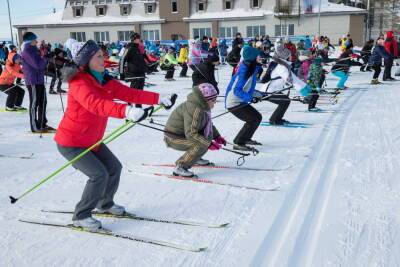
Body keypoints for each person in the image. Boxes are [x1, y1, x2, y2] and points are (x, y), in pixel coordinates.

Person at [56, 39, 175, 230]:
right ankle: (81, 215)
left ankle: (105, 204)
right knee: (98, 175)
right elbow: (96, 105)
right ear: (86, 61)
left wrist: (158, 98)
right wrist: (126, 112)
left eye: (102, 54)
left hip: (92, 139)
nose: (103, 58)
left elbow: (130, 94)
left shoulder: (104, 79)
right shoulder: (79, 83)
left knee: (114, 168)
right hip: (72, 142)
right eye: (98, 56)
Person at [164, 83, 225, 177]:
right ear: (206, 99)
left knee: (206, 138)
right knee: (201, 143)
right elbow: (191, 134)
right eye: (213, 100)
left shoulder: (203, 106)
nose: (215, 102)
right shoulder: (195, 109)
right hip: (173, 138)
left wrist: (217, 136)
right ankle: (180, 167)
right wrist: (208, 144)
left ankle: (195, 158)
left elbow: (207, 124)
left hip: (184, 135)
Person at [225, 46, 263, 150]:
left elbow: (247, 88)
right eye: (258, 56)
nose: (260, 57)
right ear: (252, 58)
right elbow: (237, 90)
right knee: (252, 120)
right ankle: (238, 142)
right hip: (233, 102)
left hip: (240, 100)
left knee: (257, 117)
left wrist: (258, 95)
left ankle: (246, 138)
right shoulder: (244, 71)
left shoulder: (251, 69)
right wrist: (250, 98)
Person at [263, 45, 311, 123]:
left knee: (285, 101)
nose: (292, 57)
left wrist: (305, 87)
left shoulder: (285, 65)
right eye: (290, 56)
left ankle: (276, 118)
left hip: (274, 90)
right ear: (286, 57)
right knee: (285, 101)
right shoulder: (282, 67)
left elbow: (294, 78)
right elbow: (291, 80)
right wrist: (304, 91)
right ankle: (274, 119)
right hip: (270, 91)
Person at [20, 32, 53, 133]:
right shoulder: (27, 51)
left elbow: (41, 60)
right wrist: (46, 58)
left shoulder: (34, 50)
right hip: (33, 80)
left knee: (43, 102)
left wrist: (47, 55)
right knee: (34, 103)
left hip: (39, 79)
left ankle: (42, 123)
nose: (36, 41)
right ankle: (34, 126)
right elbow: (38, 65)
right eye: (35, 40)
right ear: (30, 41)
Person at [122, 33, 148, 107]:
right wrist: (121, 73)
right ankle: (129, 106)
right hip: (134, 73)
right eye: (137, 38)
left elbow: (141, 60)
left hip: (140, 73)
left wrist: (147, 68)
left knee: (140, 91)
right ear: (133, 39)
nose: (139, 39)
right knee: (133, 91)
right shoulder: (129, 48)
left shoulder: (138, 48)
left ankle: (139, 107)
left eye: (139, 38)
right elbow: (122, 59)